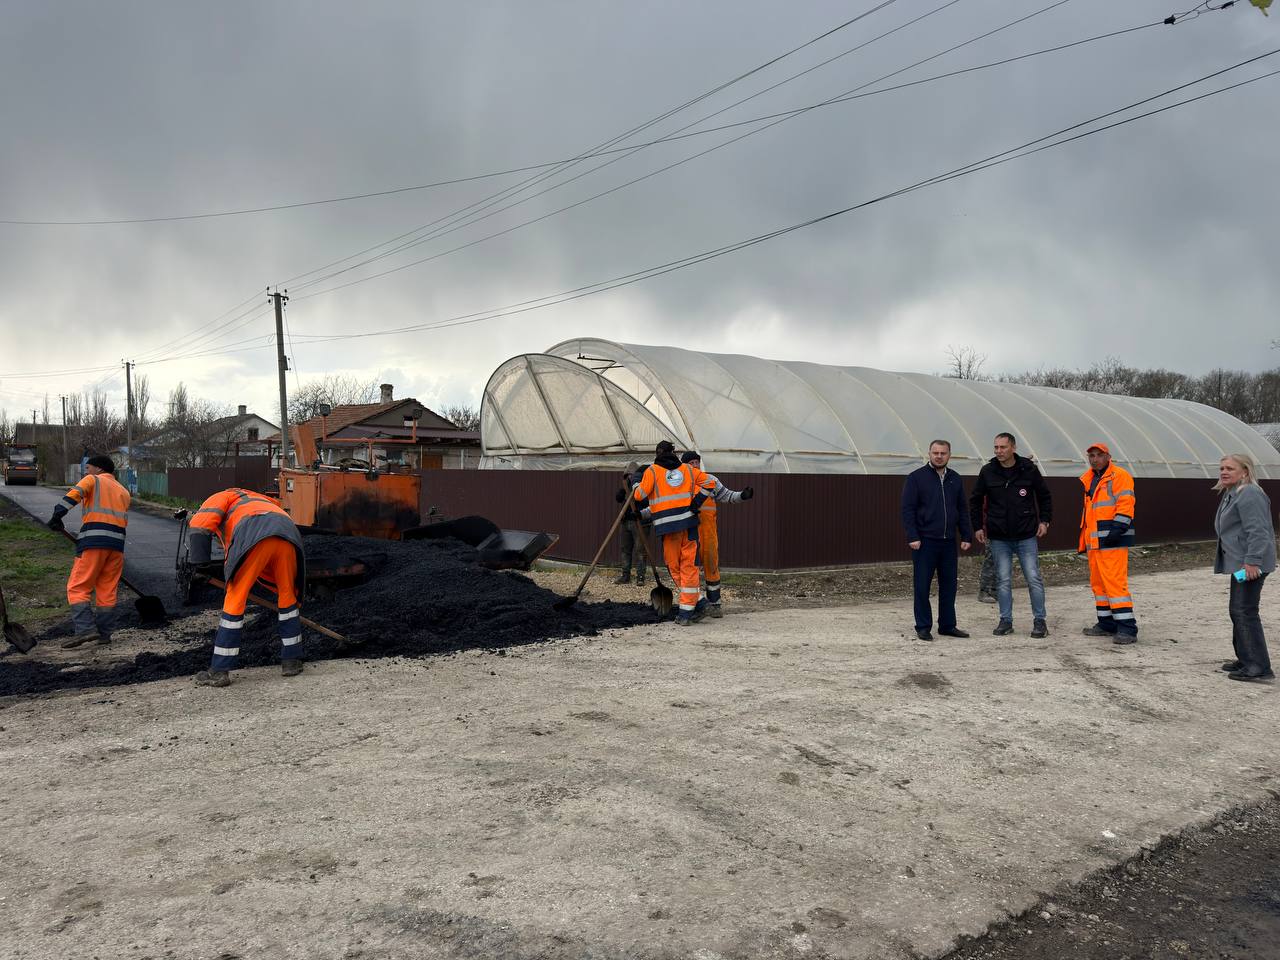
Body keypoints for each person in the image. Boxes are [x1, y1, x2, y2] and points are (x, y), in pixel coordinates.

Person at [186, 487, 307, 687]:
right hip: (287, 534)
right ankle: (292, 661)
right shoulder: (263, 501)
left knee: (235, 598)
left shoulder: (223, 495)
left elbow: (201, 523)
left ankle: (219, 670)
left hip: (254, 532)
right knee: (287, 595)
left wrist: (200, 564)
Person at [969, 432, 1052, 638]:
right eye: (996, 447)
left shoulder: (1028, 469)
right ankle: (1005, 621)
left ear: (1013, 448)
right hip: (999, 537)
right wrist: (978, 527)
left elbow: (1044, 496)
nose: (998, 451)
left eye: (1003, 447)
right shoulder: (988, 471)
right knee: (1003, 581)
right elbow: (975, 500)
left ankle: (1040, 621)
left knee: (1033, 578)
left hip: (1026, 535)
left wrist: (1044, 521)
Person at [46, 455, 131, 648]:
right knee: (107, 590)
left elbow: (72, 496)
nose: (86, 471)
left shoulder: (93, 480)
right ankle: (104, 634)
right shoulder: (123, 491)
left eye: (88, 467)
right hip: (117, 546)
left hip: (93, 542)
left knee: (78, 587)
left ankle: (85, 629)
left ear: (99, 469)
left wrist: (57, 516)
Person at [633, 440, 714, 625]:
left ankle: (694, 606)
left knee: (674, 567)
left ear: (657, 453)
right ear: (674, 453)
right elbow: (710, 483)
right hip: (689, 524)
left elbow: (639, 495)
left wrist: (635, 482)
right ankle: (693, 608)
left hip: (669, 529)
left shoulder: (653, 471)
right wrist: (696, 502)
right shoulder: (687, 469)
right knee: (689, 567)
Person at [901, 440, 973, 641]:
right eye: (935, 453)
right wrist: (913, 536)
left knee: (949, 586)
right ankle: (923, 626)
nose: (939, 456)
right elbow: (908, 510)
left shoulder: (955, 478)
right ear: (929, 454)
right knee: (922, 586)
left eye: (943, 453)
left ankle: (948, 625)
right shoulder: (916, 478)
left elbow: (962, 509)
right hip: (925, 542)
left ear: (949, 455)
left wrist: (966, 535)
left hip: (948, 542)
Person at [1213, 453, 1275, 682]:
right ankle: (1246, 658)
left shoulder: (1249, 493)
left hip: (1250, 564)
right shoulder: (1232, 492)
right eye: (1222, 468)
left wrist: (1253, 561)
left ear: (1245, 471)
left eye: (1230, 468)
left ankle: (1258, 667)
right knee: (1238, 609)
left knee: (1245, 611)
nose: (1224, 472)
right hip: (1242, 563)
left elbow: (1258, 531)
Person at [679, 451, 754, 618]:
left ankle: (715, 605)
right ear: (684, 466)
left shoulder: (710, 480)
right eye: (691, 463)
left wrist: (742, 496)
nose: (695, 465)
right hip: (688, 533)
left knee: (711, 566)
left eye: (697, 462)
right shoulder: (680, 483)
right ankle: (695, 605)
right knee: (689, 569)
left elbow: (727, 495)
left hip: (708, 534)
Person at [1078, 442, 1137, 643]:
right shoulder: (1090, 478)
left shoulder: (1119, 476)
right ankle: (1106, 624)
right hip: (1096, 541)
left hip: (1113, 539)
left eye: (1099, 455)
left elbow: (1126, 504)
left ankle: (1128, 629)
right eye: (1091, 456)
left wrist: (1117, 529)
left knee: (1114, 584)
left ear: (1108, 457)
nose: (1095, 459)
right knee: (1098, 584)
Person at [613, 461, 650, 585]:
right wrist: (620, 494)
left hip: (640, 522)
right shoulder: (626, 486)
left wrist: (637, 502)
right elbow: (619, 499)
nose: (630, 477)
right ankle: (625, 575)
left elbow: (648, 503)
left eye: (632, 474)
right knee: (625, 549)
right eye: (628, 475)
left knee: (640, 550)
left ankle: (640, 577)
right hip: (626, 521)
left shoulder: (644, 486)